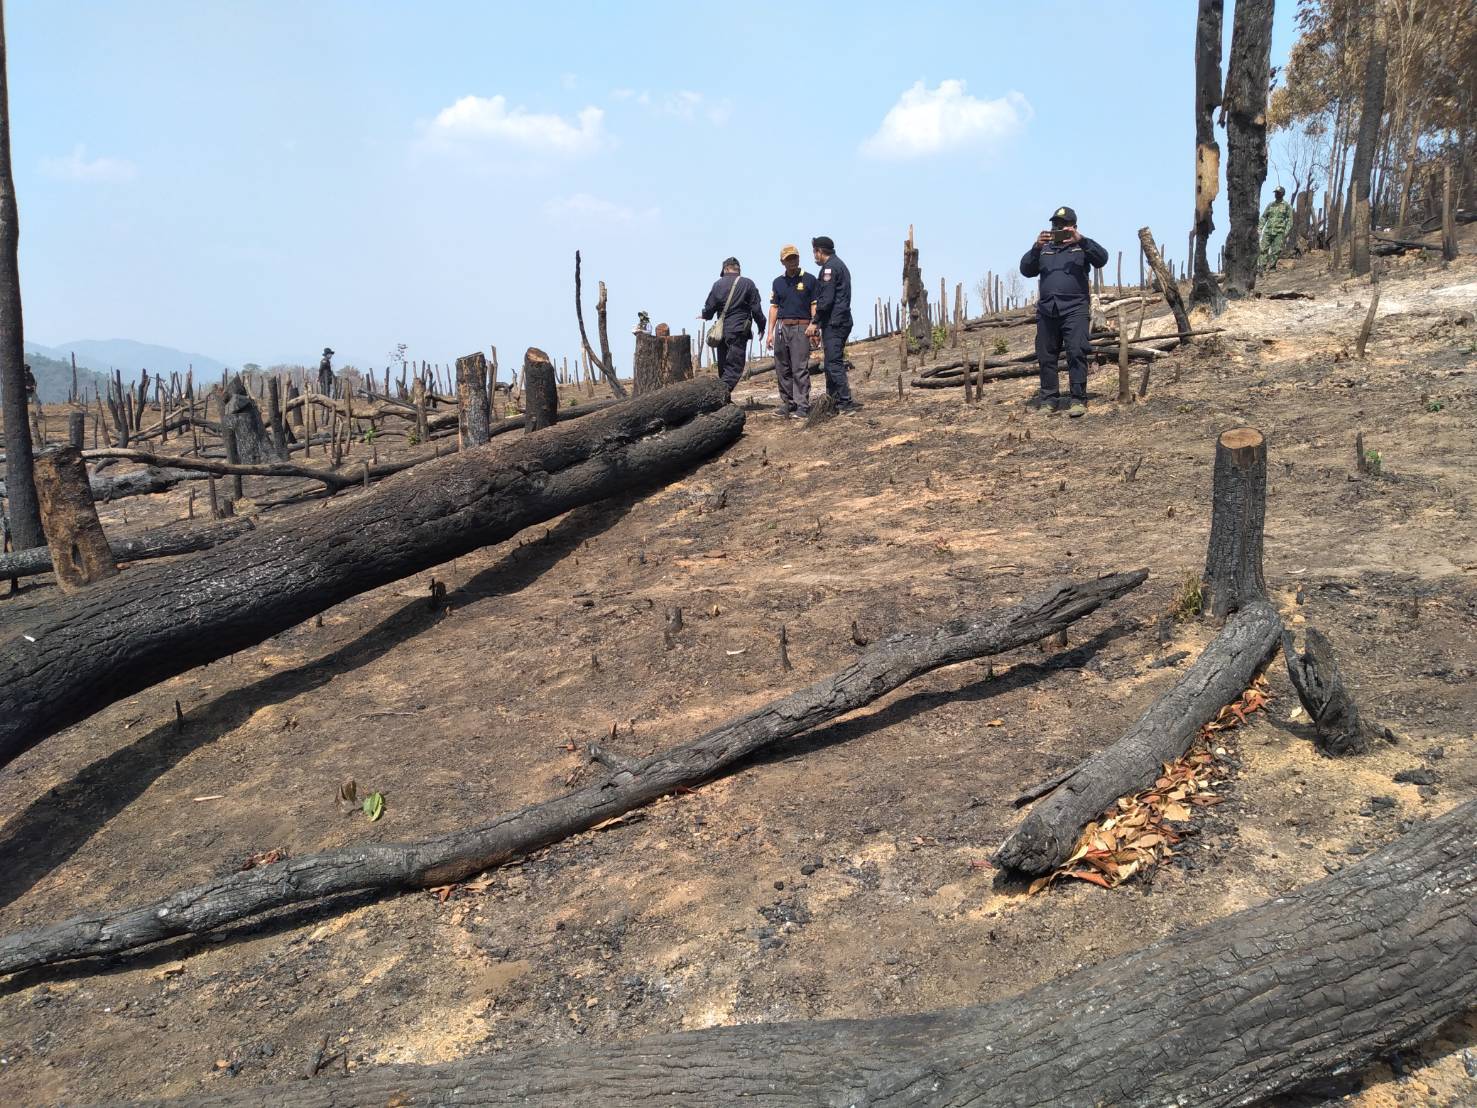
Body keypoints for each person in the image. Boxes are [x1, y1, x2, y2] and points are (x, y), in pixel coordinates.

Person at [1019, 205, 1108, 418]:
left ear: (1074, 227)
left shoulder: (1082, 247)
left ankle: (1078, 399)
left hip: (1075, 308)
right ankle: (1049, 400)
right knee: (1046, 355)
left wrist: (1082, 240)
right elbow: (1025, 270)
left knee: (1076, 351)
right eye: (1055, 224)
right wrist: (1035, 247)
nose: (1058, 228)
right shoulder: (1044, 249)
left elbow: (1102, 259)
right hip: (1048, 310)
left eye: (1064, 225)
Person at [808, 236, 861, 413]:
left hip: (835, 322)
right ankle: (833, 401)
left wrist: (815, 322)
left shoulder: (830, 268)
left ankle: (845, 402)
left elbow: (826, 299)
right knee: (831, 362)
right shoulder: (838, 265)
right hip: (838, 321)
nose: (814, 256)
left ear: (820, 251)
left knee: (833, 363)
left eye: (815, 252)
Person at [766, 244, 817, 419]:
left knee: (799, 367)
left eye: (794, 257)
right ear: (782, 262)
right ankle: (788, 402)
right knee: (782, 367)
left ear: (799, 258)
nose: (792, 261)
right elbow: (774, 308)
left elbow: (814, 305)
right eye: (788, 259)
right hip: (781, 327)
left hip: (801, 327)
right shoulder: (777, 282)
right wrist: (770, 333)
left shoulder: (810, 280)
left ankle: (802, 405)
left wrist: (815, 326)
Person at [701, 257, 765, 394]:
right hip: (738, 330)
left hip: (721, 333)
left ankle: (722, 397)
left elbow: (709, 307)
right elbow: (756, 309)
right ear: (738, 269)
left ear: (725, 269)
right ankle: (718, 396)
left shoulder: (717, 284)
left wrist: (705, 315)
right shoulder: (748, 283)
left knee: (724, 368)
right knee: (734, 367)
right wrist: (762, 326)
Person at [1258, 187, 1293, 273]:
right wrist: (1260, 228)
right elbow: (1264, 217)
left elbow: (1290, 220)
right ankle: (1262, 267)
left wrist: (1285, 232)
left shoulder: (1286, 206)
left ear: (1282, 194)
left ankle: (1272, 267)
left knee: (1276, 250)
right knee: (1263, 249)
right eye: (1275, 193)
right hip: (1268, 231)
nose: (1276, 194)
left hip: (1279, 232)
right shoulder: (1270, 205)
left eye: (1278, 193)